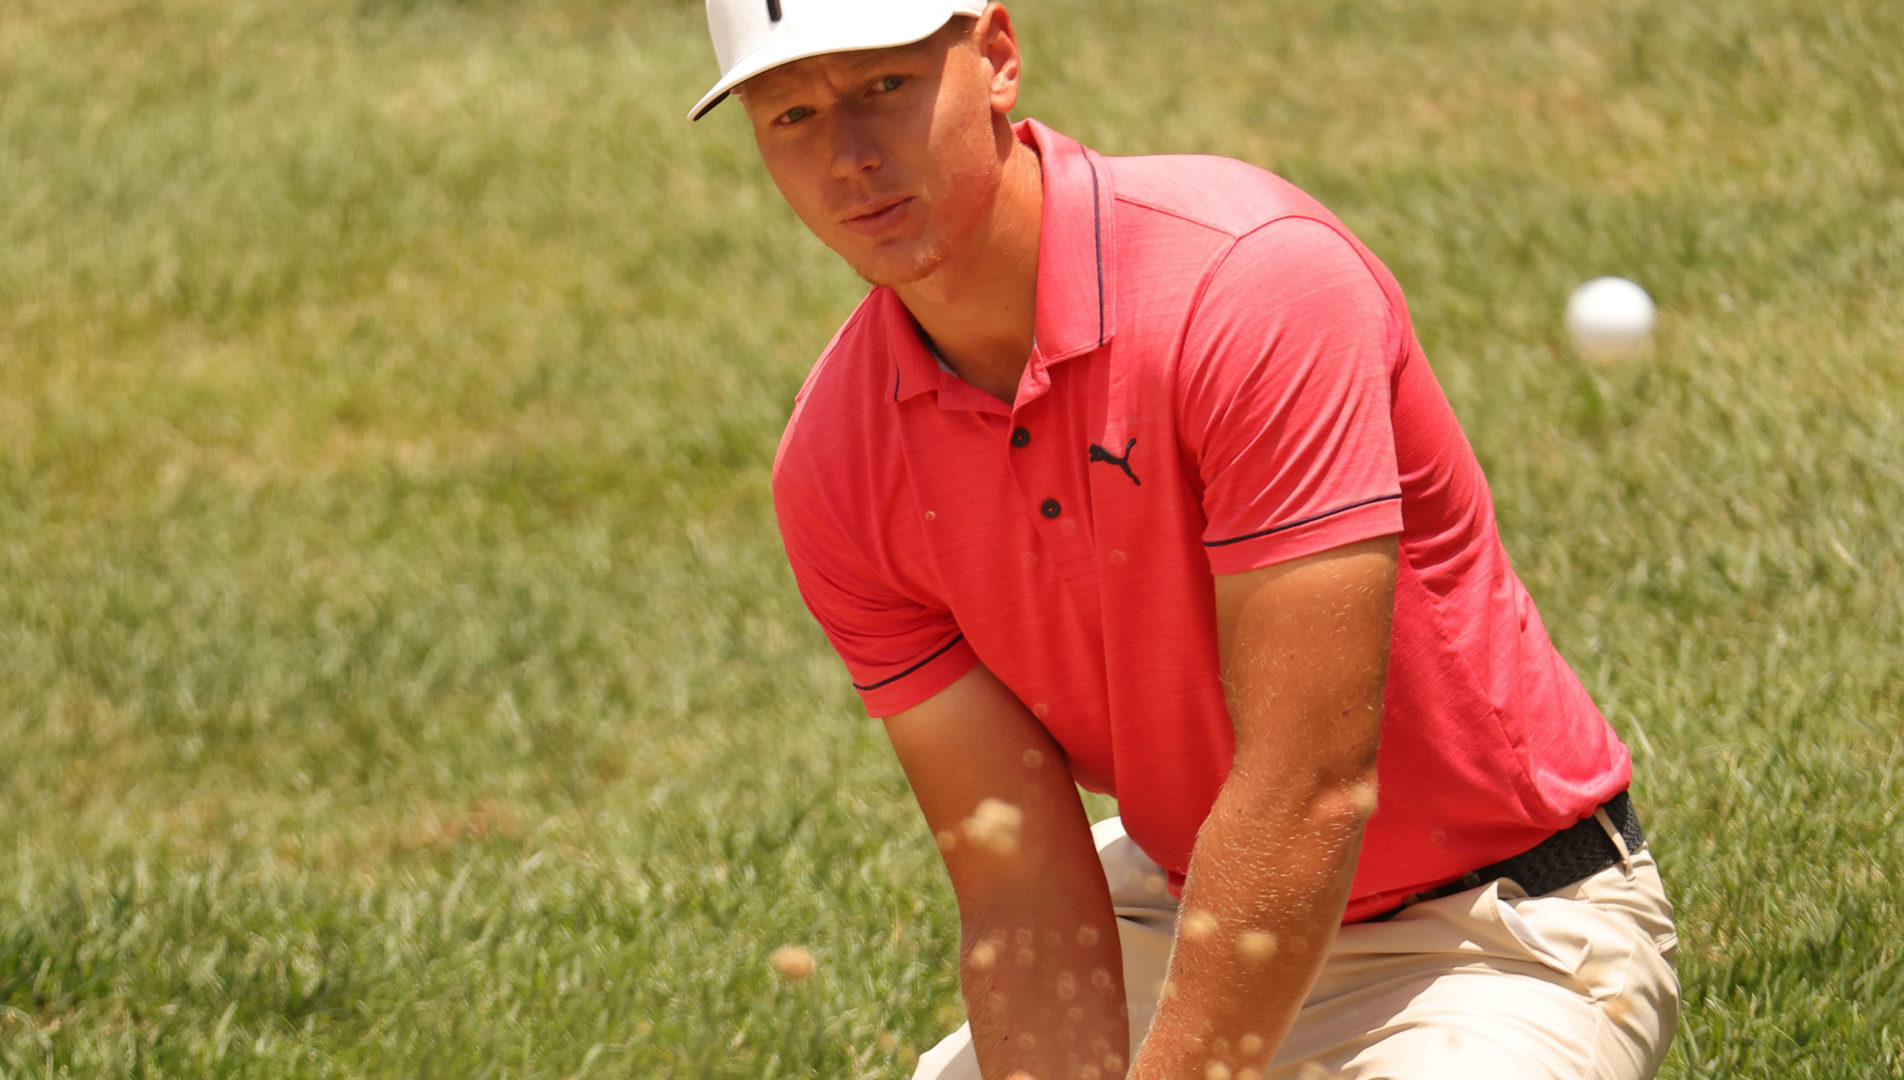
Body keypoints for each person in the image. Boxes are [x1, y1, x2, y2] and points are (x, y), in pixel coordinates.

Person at [687, 2, 1680, 1078]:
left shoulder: (1248, 282)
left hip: (1492, 934)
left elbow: (1307, 786)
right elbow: (1021, 887)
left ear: (998, 60)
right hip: (1178, 912)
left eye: (884, 87)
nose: (848, 157)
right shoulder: (836, 463)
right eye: (791, 114)